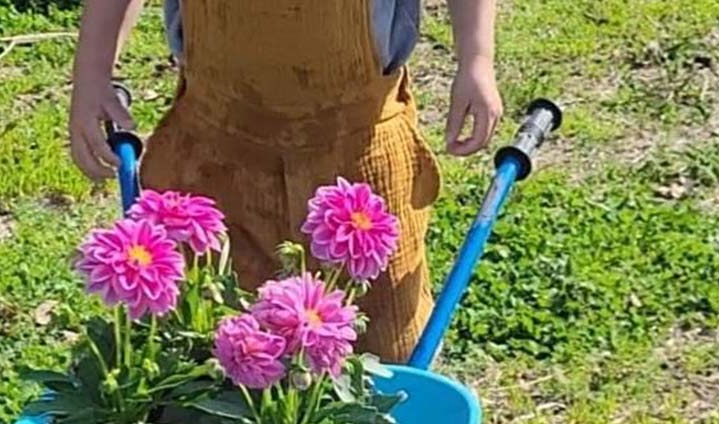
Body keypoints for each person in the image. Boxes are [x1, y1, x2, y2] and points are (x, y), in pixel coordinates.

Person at [69, 1, 501, 363]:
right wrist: (92, 74)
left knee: (382, 351)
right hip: (213, 154)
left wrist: (477, 57)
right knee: (208, 348)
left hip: (357, 152)